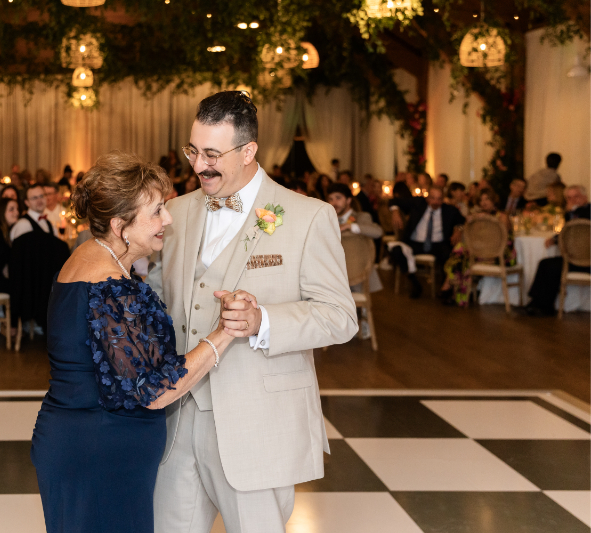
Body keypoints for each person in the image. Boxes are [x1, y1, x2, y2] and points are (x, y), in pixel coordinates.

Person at [147, 91, 358, 533]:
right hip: (177, 418)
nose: (199, 165)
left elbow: (339, 316)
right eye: (193, 151)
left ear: (248, 152)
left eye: (211, 154)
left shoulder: (308, 216)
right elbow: (157, 298)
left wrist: (265, 322)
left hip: (257, 422)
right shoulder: (176, 212)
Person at [30, 151, 237, 533]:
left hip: (86, 443)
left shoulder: (87, 259)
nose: (168, 219)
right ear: (120, 225)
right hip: (100, 454)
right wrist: (224, 333)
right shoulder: (110, 286)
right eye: (157, 211)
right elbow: (154, 389)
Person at [9, 184, 71, 329]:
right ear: (26, 202)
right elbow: (18, 262)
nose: (39, 200)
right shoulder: (22, 225)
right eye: (34, 198)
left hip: (45, 280)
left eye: (41, 196)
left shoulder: (49, 224)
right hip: (29, 283)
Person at [525, 185, 591, 316]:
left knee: (551, 266)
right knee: (545, 264)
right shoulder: (572, 213)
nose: (573, 201)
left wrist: (571, 212)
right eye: (569, 198)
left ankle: (543, 306)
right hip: (574, 258)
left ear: (585, 197)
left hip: (587, 260)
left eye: (576, 196)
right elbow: (567, 231)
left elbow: (579, 228)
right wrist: (555, 238)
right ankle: (537, 303)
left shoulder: (585, 212)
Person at [389, 186, 466, 298]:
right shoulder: (418, 203)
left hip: (438, 244)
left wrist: (458, 229)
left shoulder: (449, 210)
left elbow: (462, 220)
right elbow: (394, 201)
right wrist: (395, 211)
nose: (436, 202)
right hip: (415, 243)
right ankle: (415, 283)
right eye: (433, 198)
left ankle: (445, 289)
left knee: (449, 255)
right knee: (396, 251)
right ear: (427, 198)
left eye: (439, 199)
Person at [442, 188, 515, 306]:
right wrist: (470, 222)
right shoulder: (476, 216)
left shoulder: (502, 216)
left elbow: (504, 238)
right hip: (482, 251)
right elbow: (471, 237)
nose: (484, 202)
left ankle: (450, 288)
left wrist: (485, 219)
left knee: (462, 255)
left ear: (493, 200)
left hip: (501, 253)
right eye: (481, 200)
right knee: (461, 251)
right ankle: (456, 292)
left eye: (487, 199)